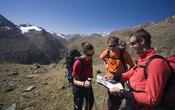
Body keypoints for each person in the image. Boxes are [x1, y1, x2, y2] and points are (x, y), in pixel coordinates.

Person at [109, 28, 171, 110]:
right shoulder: (143, 59)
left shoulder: (156, 63)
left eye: (133, 43)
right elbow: (132, 73)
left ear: (142, 41)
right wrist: (114, 77)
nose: (131, 46)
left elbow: (152, 99)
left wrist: (121, 92)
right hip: (133, 102)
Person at [100, 36, 134, 110]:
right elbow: (101, 57)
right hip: (109, 77)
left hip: (120, 78)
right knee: (111, 96)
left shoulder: (124, 53)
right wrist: (105, 64)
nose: (111, 48)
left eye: (113, 46)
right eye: (110, 46)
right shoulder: (108, 52)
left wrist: (127, 75)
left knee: (118, 97)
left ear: (118, 44)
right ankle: (110, 107)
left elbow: (132, 65)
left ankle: (116, 106)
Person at [72, 42, 95, 110]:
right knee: (78, 106)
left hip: (88, 85)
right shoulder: (78, 63)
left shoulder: (89, 59)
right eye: (89, 54)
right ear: (84, 53)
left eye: (92, 54)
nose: (91, 56)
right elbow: (74, 81)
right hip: (79, 88)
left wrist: (90, 78)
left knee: (90, 102)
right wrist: (84, 84)